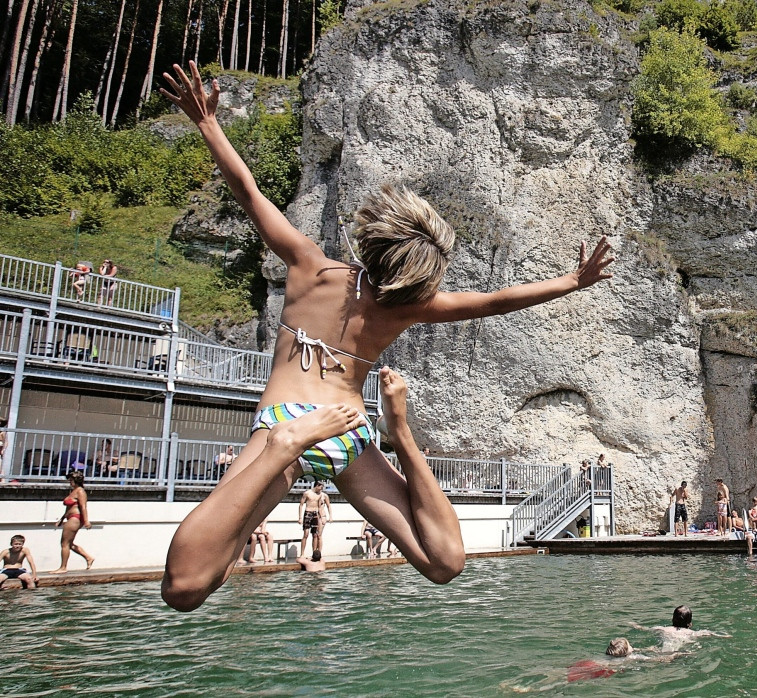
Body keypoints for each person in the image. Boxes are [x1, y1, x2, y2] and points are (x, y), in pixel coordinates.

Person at [157, 62, 609, 611]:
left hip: (290, 426)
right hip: (347, 434)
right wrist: (571, 281)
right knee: (444, 564)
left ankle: (291, 447)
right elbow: (494, 301)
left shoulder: (309, 268)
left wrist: (208, 123)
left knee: (189, 589)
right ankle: (386, 433)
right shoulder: (407, 308)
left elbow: (249, 194)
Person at [49, 471, 94, 573]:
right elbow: (69, 508)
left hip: (76, 517)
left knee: (64, 543)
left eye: (71, 480)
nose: (70, 482)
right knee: (68, 544)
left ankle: (63, 567)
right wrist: (62, 519)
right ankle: (88, 557)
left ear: (76, 480)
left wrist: (86, 521)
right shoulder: (73, 491)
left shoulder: (80, 491)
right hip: (70, 517)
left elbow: (83, 507)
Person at [634, 605, 729, 653]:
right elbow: (709, 633)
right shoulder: (691, 633)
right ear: (690, 623)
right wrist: (726, 636)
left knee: (652, 651)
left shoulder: (663, 629)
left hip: (660, 651)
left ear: (672, 619)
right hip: (675, 655)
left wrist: (634, 625)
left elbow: (644, 629)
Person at [299, 480, 332, 556]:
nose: (321, 489)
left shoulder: (321, 495)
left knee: (315, 535)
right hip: (308, 512)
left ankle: (314, 553)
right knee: (306, 534)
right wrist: (300, 517)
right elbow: (301, 505)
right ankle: (302, 554)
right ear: (316, 486)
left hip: (315, 513)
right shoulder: (307, 493)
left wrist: (323, 517)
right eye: (320, 487)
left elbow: (321, 507)